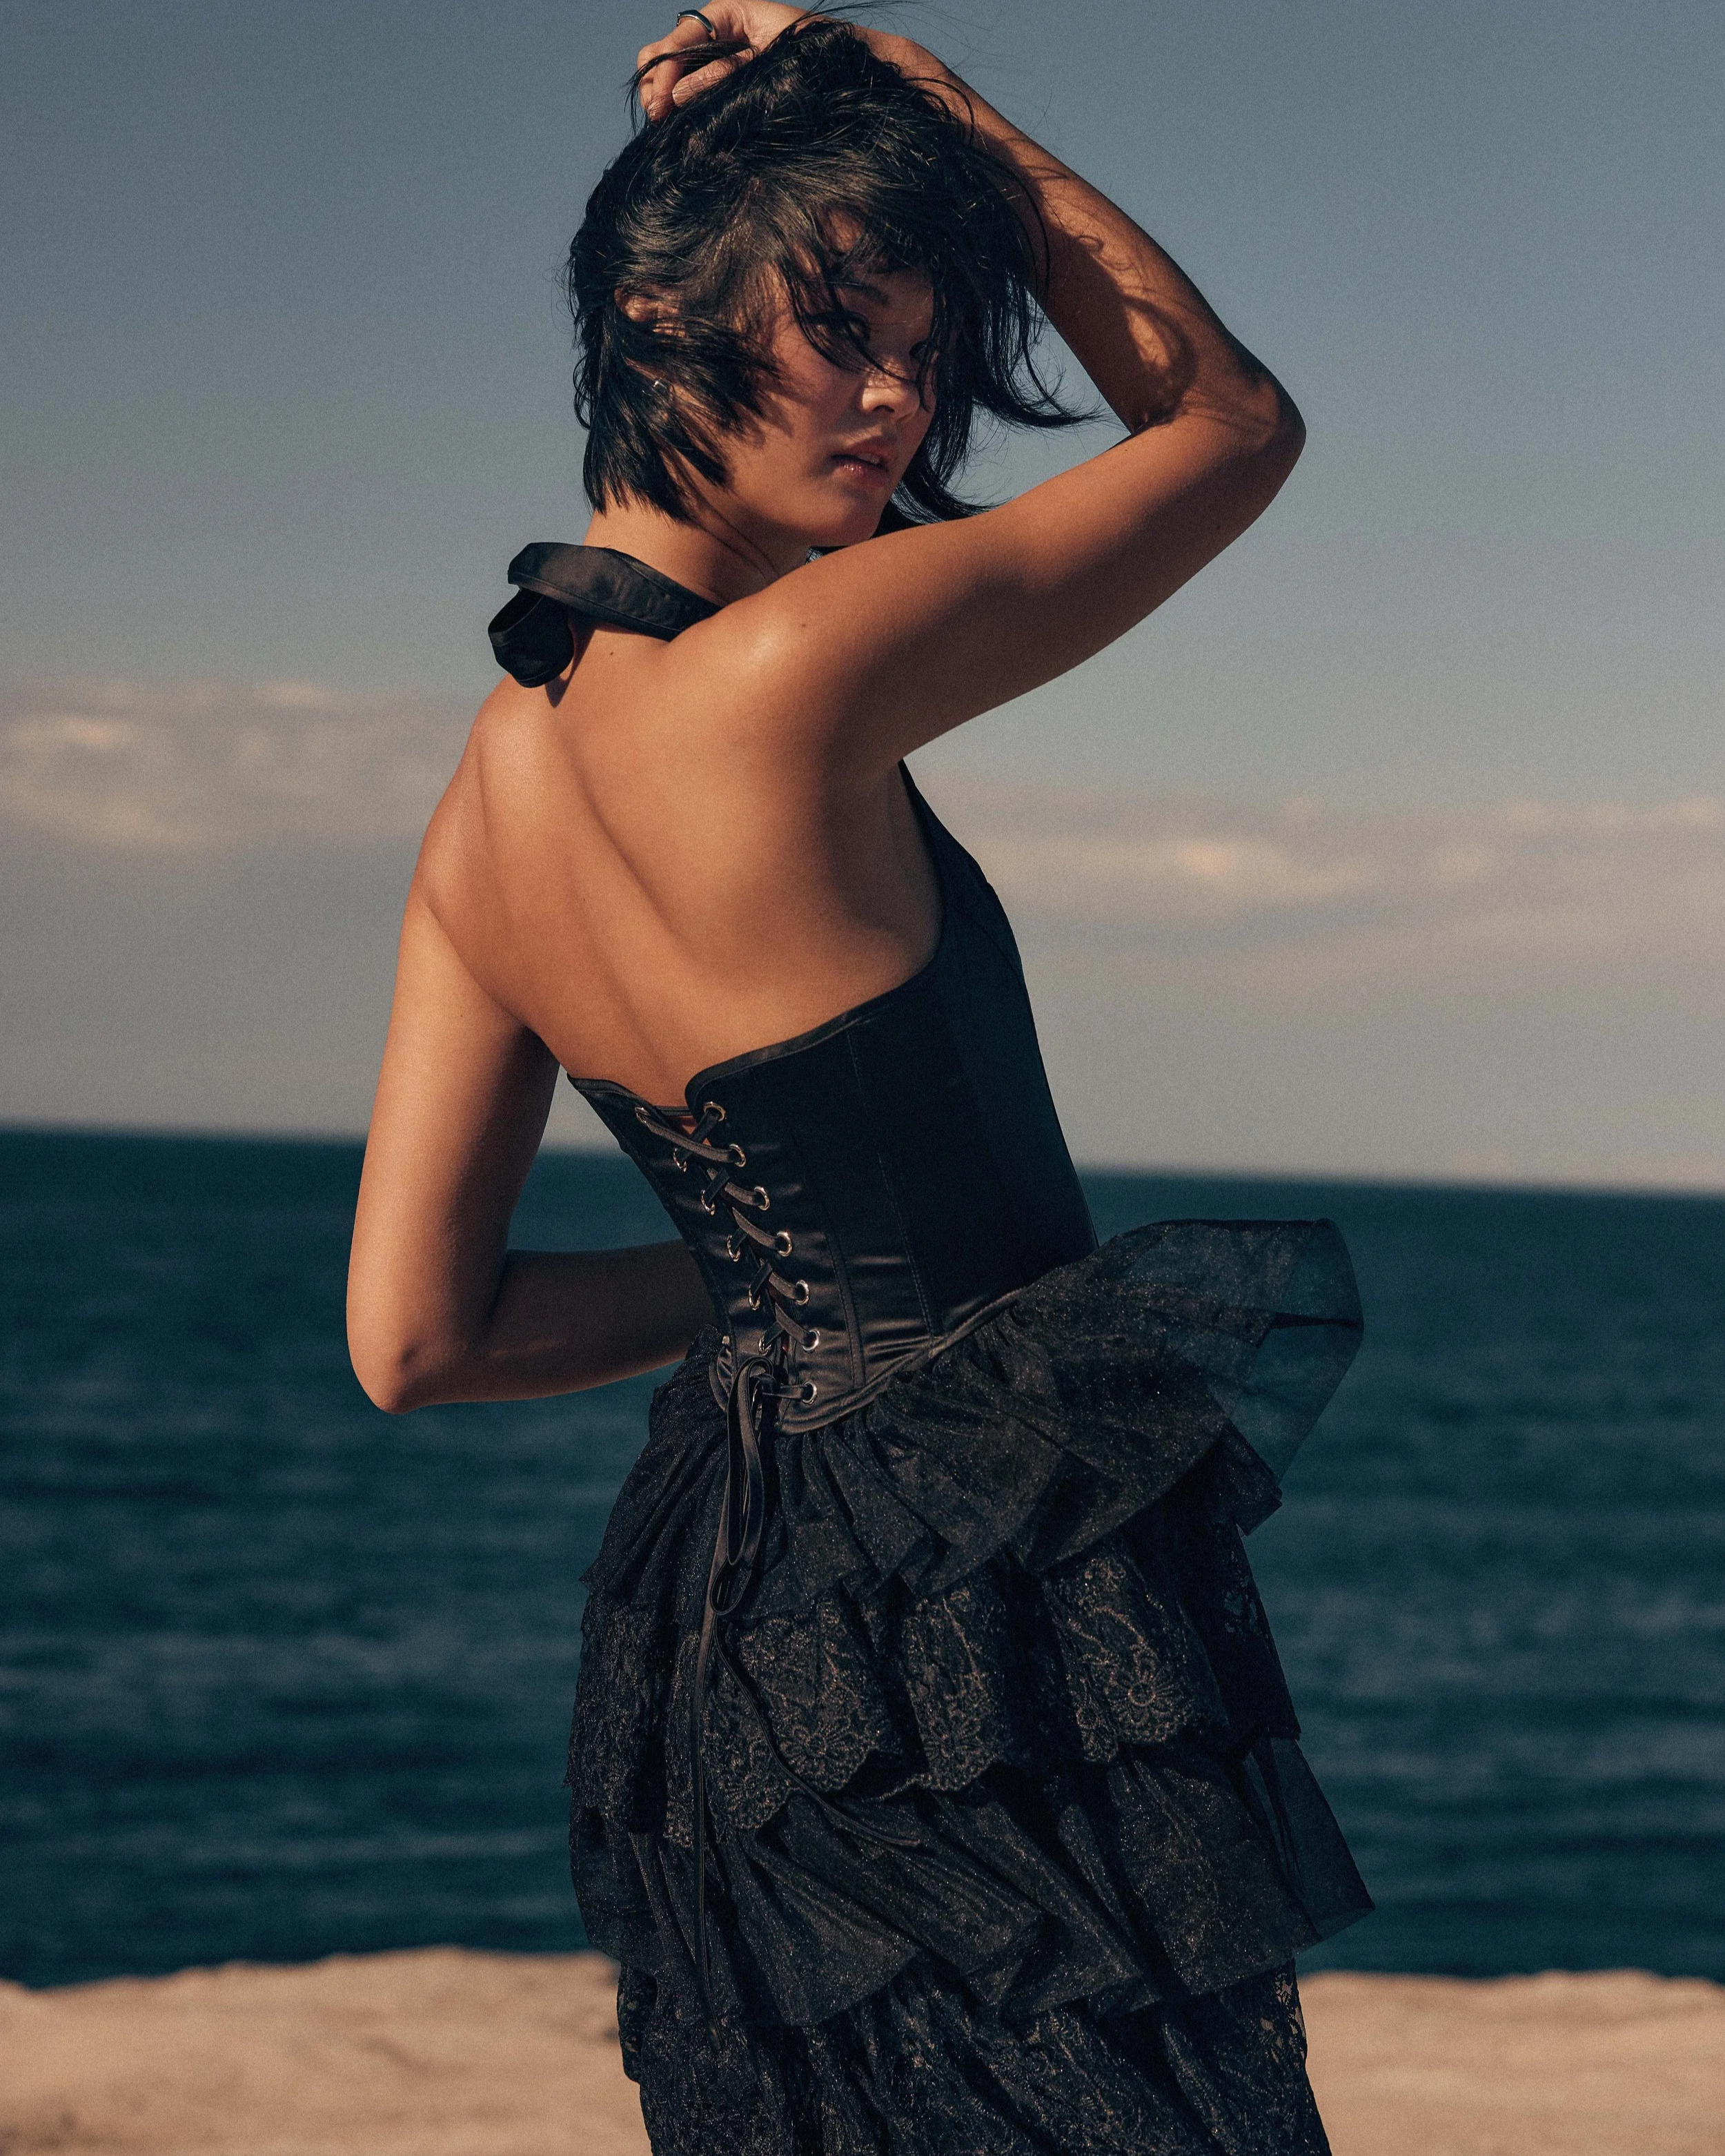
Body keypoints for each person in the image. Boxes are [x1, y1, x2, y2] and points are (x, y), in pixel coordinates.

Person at [347, 9, 1370, 2150]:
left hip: (722, 1617)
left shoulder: (477, 805)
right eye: (839, 331)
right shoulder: (793, 674)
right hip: (985, 1605)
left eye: (919, 345)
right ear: (653, 312)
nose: (899, 398)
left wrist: (769, 1290)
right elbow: (1229, 426)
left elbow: (420, 1340)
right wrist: (922, 94)